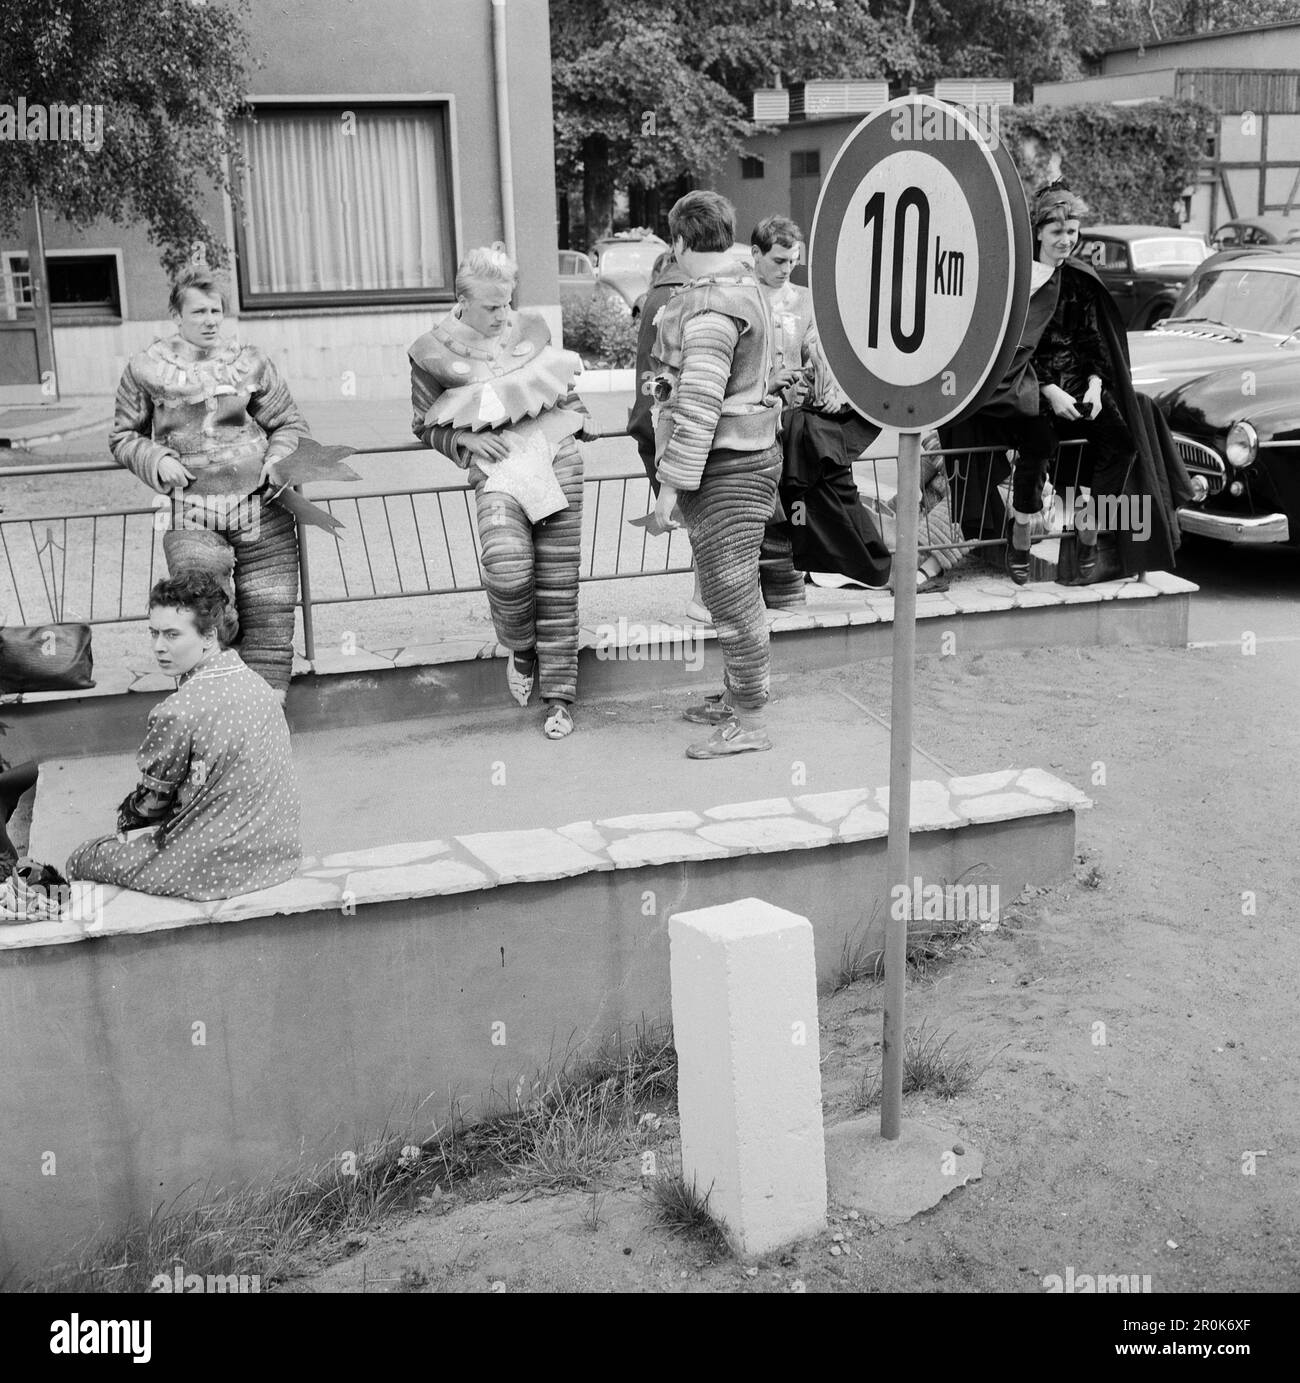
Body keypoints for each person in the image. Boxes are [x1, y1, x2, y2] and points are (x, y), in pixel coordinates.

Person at [940, 183, 1193, 584]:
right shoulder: (1016, 282)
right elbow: (1013, 349)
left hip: (1078, 383)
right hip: (1027, 385)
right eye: (1058, 232)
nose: (1066, 240)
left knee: (1122, 444)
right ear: (1038, 232)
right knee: (1039, 445)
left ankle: (1088, 526)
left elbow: (1094, 341)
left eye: (1072, 232)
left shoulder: (1079, 279)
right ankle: (1021, 533)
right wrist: (1049, 391)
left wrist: (1094, 386)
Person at [409, 245, 596, 740]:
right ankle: (522, 646)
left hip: (556, 461)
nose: (502, 315)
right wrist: (463, 438)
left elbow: (559, 387)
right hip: (497, 473)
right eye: (491, 307)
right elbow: (423, 424)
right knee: (509, 569)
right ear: (462, 301)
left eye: (507, 303)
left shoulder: (530, 329)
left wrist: (580, 422)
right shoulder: (432, 351)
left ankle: (559, 700)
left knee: (558, 584)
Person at [110, 264, 309, 697]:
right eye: (198, 312)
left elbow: (289, 423)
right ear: (176, 316)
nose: (210, 321)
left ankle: (270, 708)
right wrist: (156, 458)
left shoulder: (250, 362)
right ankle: (217, 701)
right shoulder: (146, 368)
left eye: (216, 311)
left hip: (261, 503)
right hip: (192, 507)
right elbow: (123, 436)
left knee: (271, 610)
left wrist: (279, 458)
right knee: (203, 603)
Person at [65, 572, 302, 901]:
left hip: (214, 870)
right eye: (154, 633)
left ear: (208, 636)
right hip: (277, 856)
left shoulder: (177, 710)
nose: (158, 647)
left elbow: (149, 807)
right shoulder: (257, 684)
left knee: (84, 856)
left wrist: (130, 835)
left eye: (172, 635)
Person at [650, 191, 782, 758]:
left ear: (678, 242)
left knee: (731, 594)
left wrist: (668, 488)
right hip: (744, 455)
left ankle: (750, 720)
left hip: (727, 464)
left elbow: (701, 404)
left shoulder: (709, 307)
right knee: (736, 588)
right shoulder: (745, 286)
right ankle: (737, 697)